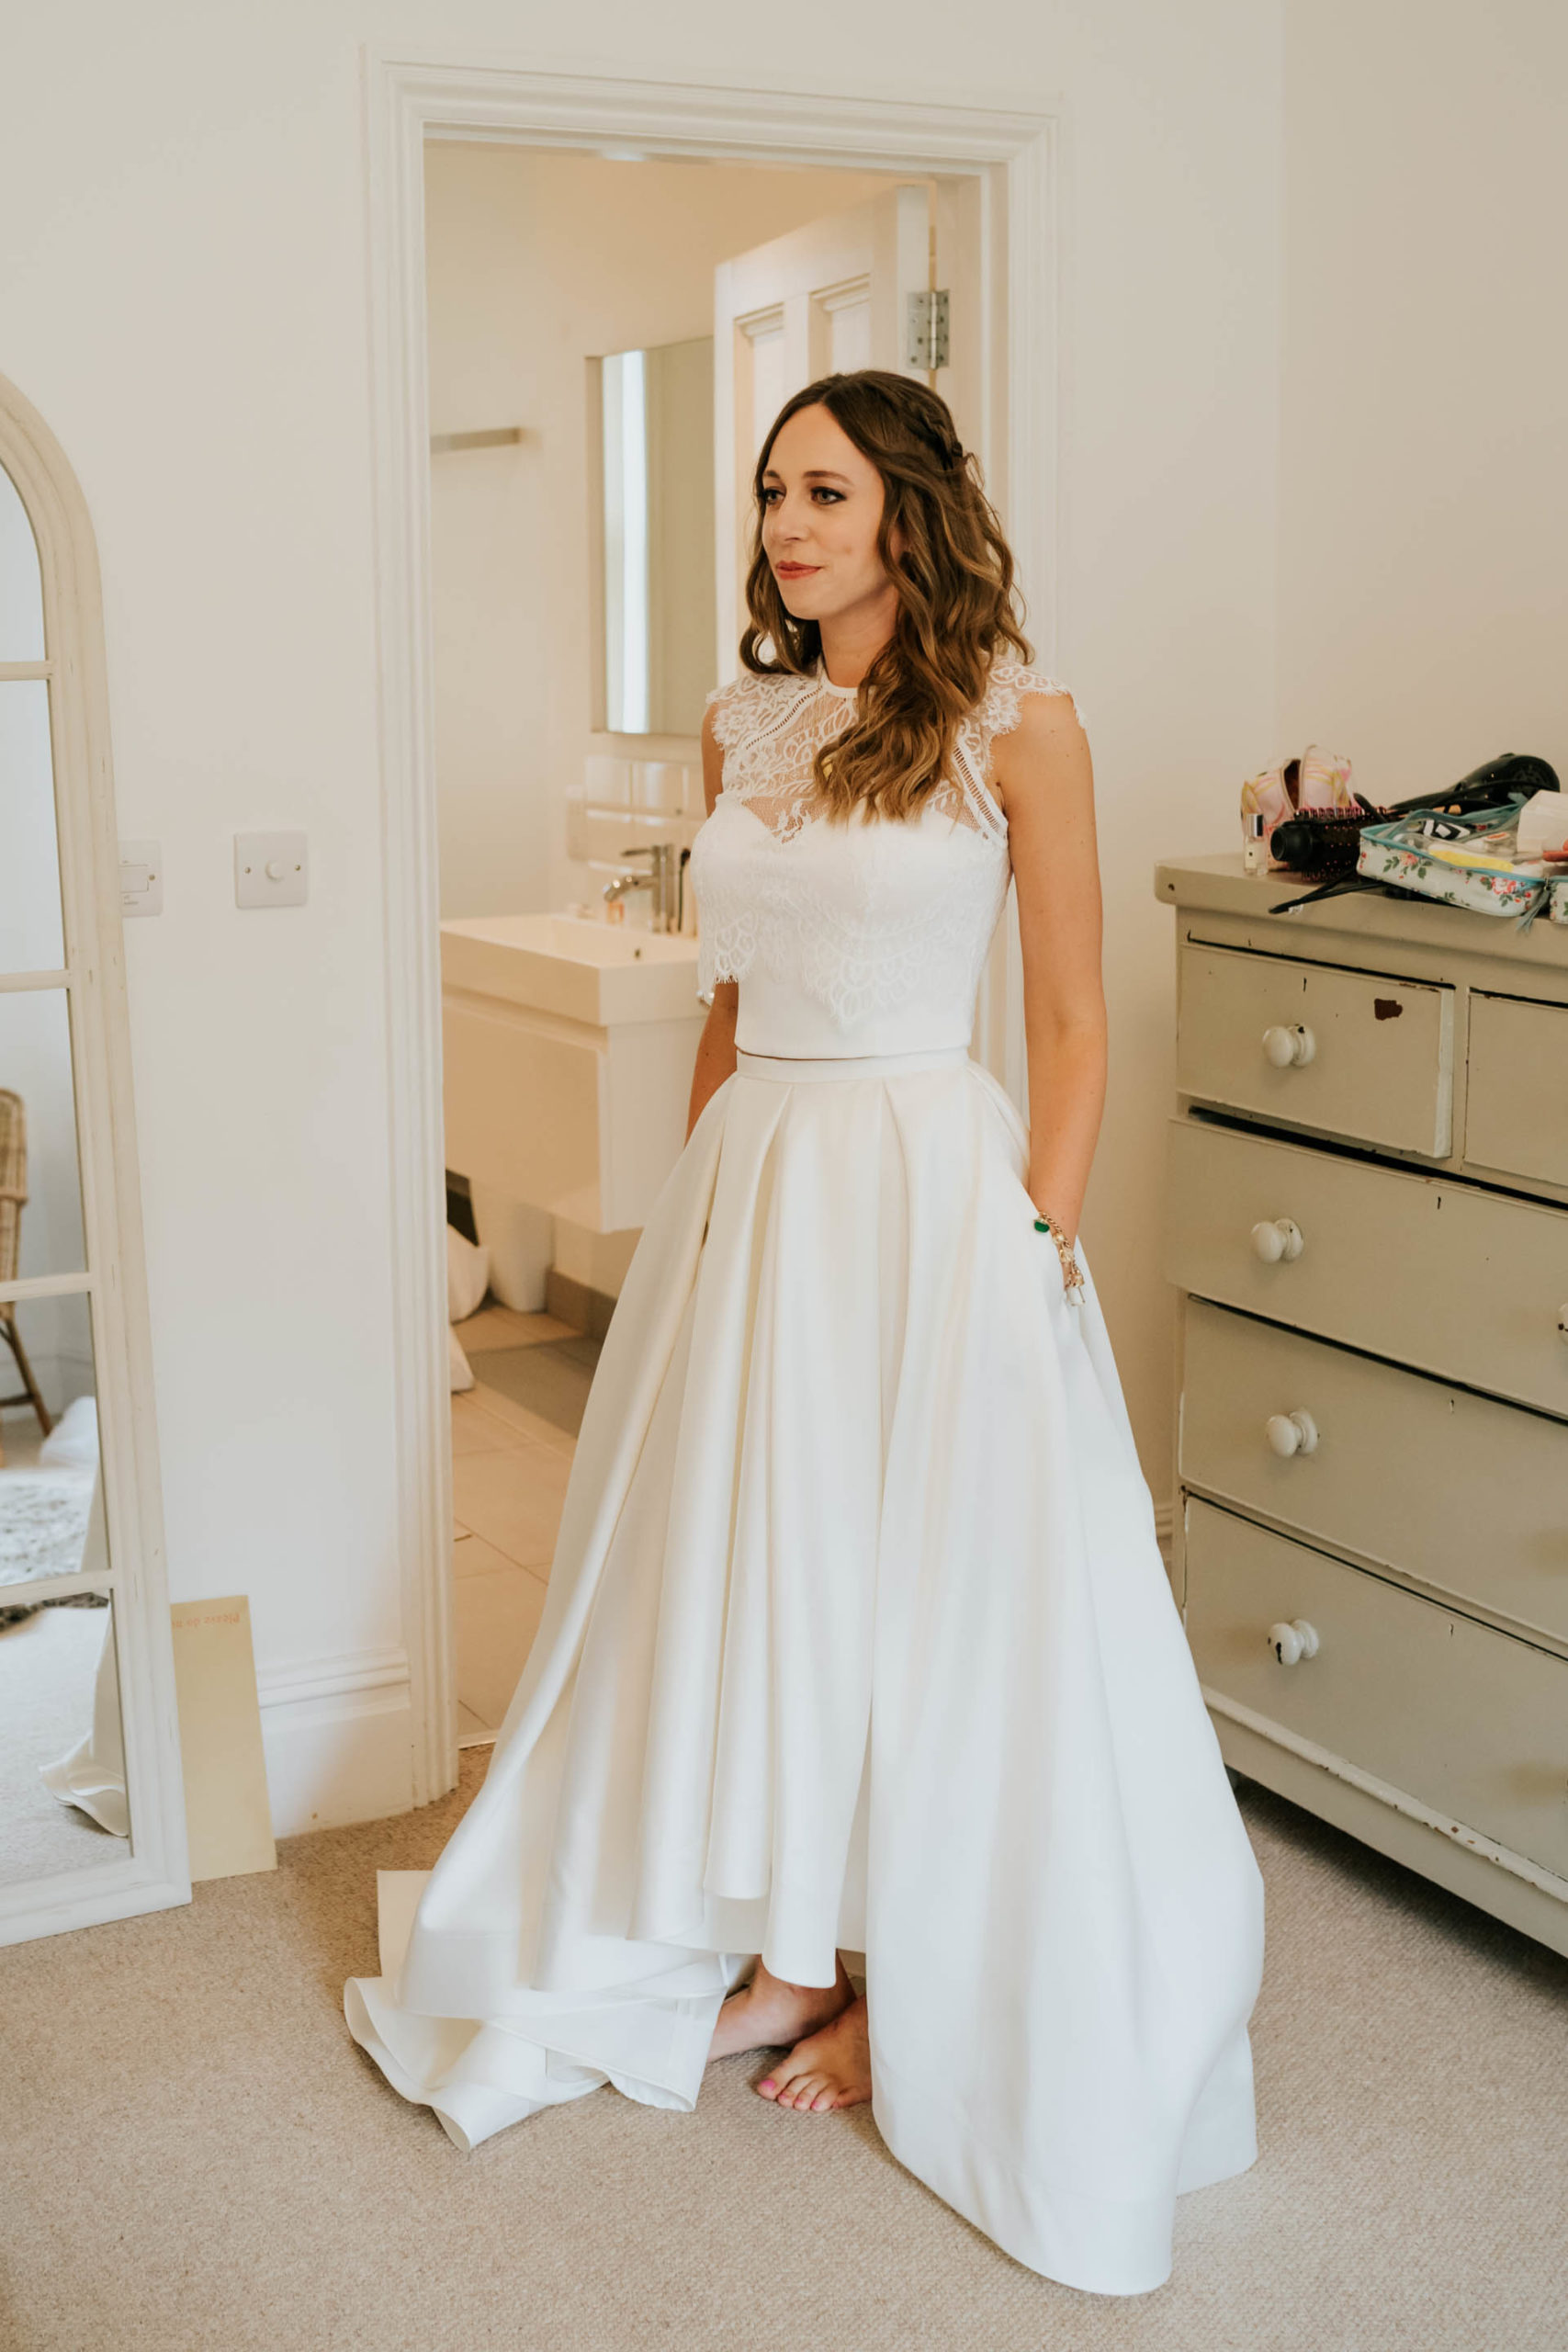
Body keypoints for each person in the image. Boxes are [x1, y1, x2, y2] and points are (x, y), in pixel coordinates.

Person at [345, 369, 1264, 2299]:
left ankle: (900, 1990)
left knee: (932, 1596)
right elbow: (729, 982)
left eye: (825, 490)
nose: (786, 522)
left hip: (930, 1182)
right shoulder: (742, 713)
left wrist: (1037, 1236)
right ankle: (784, 1945)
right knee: (760, 1571)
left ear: (909, 512)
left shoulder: (1024, 719)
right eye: (772, 490)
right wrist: (695, 1184)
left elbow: (1080, 1022)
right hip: (761, 1168)